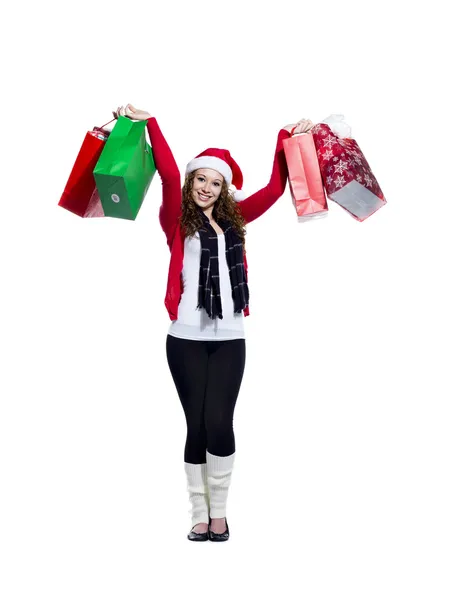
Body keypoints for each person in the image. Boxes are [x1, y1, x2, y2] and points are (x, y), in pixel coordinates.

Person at [114, 104, 314, 541]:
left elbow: (275, 189)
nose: (206, 187)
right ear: (191, 182)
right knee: (196, 425)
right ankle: (198, 512)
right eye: (200, 178)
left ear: (225, 188)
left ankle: (220, 511)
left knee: (220, 421)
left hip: (230, 338)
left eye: (215, 181)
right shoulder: (176, 219)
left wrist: (285, 136)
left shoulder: (235, 220)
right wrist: (150, 123)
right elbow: (167, 174)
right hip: (183, 338)